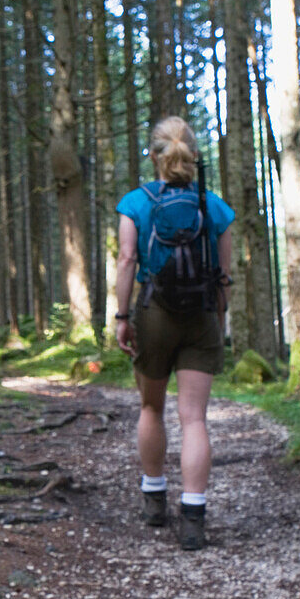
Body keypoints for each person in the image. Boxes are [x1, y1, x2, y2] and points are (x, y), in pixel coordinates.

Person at [114, 116, 234, 550]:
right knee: (194, 417)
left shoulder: (136, 202)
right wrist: (216, 319)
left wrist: (121, 317)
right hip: (201, 314)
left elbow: (128, 260)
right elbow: (223, 274)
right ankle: (194, 517)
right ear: (193, 154)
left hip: (155, 313)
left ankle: (153, 499)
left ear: (154, 154)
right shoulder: (213, 206)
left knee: (151, 408)